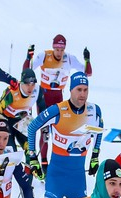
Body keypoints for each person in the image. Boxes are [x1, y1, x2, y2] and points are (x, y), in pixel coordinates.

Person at [26, 72, 103, 198]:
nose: (82, 94)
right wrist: (33, 157)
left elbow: (99, 130)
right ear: (71, 90)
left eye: (85, 90)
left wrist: (95, 156)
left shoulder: (94, 111)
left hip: (78, 180)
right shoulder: (57, 110)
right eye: (78, 89)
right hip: (56, 178)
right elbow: (32, 128)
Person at [22, 34, 92, 164]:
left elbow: (87, 73)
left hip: (58, 96)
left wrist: (87, 60)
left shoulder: (69, 58)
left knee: (59, 129)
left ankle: (58, 158)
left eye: (62, 50)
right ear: (53, 48)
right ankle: (44, 161)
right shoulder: (44, 56)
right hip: (43, 97)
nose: (59, 53)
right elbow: (26, 71)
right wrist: (28, 57)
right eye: (57, 49)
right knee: (44, 130)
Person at [0, 67, 39, 151]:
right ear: (21, 83)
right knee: (11, 150)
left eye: (33, 84)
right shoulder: (12, 91)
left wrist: (44, 128)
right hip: (7, 121)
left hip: (23, 120)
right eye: (27, 84)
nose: (30, 88)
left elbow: (42, 108)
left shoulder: (37, 90)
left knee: (30, 149)